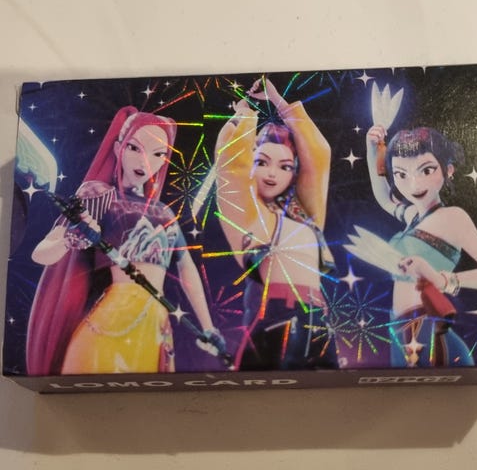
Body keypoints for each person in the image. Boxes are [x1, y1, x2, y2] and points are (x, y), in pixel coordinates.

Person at [27, 106, 223, 375]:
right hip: (111, 322)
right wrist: (71, 239)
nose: (144, 161)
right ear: (118, 148)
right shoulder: (101, 197)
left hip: (155, 328)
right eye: (134, 148)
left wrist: (208, 327)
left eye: (158, 154)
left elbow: (186, 267)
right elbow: (40, 253)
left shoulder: (164, 213)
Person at [214, 77, 337, 370]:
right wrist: (246, 112)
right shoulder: (252, 213)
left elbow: (318, 157)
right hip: (275, 314)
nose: (272, 174)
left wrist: (278, 101)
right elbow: (232, 166)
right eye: (262, 162)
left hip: (318, 318)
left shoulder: (304, 212)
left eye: (285, 167)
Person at [366, 125, 477, 367]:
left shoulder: (453, 217)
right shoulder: (412, 217)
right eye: (401, 174)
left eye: (426, 170)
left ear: (448, 170)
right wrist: (372, 149)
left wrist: (443, 280)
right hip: (401, 326)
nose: (414, 184)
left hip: (426, 327)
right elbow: (384, 198)